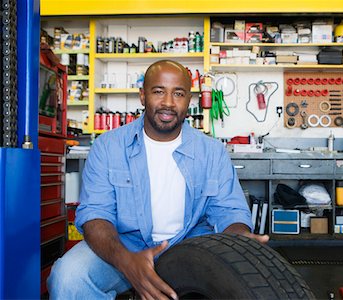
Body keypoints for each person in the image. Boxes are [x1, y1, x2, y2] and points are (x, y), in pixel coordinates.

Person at [47, 60, 269, 299]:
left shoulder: (212, 151)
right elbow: (95, 215)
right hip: (125, 244)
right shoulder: (108, 147)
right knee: (68, 277)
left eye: (178, 93)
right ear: (142, 96)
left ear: (189, 100)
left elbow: (229, 210)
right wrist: (126, 261)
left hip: (191, 244)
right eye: (158, 91)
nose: (168, 103)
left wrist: (237, 236)